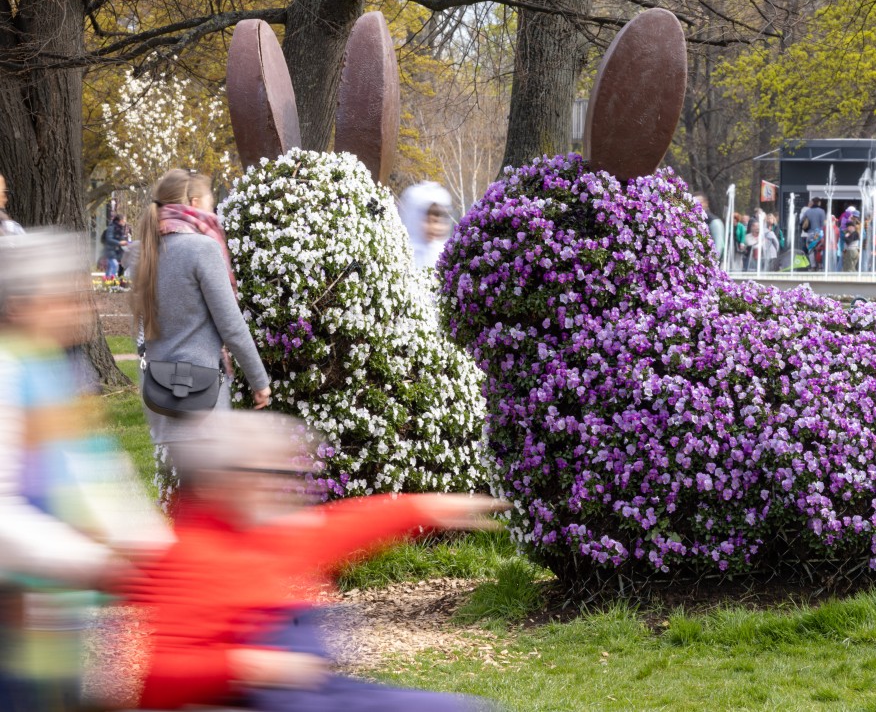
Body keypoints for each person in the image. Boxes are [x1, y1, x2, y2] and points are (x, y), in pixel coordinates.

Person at [123, 411, 503, 711]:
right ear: (214, 484)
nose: (281, 485)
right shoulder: (191, 556)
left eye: (286, 473)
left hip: (318, 695)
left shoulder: (262, 535)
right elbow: (161, 676)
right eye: (267, 473)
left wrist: (425, 507)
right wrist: (245, 663)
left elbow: (344, 525)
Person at [1, 230, 172, 712]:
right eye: (57, 298)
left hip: (51, 614)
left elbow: (96, 473)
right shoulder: (7, 371)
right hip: (16, 610)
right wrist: (95, 563)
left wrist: (158, 553)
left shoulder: (54, 372)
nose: (74, 310)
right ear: (19, 307)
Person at [132, 170, 271, 505]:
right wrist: (259, 379)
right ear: (194, 203)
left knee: (192, 493)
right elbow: (231, 325)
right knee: (213, 496)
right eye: (211, 200)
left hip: (161, 391)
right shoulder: (202, 249)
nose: (214, 207)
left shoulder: (145, 250)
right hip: (202, 391)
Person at [398, 182, 454, 269]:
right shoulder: (401, 255)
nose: (436, 227)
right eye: (429, 221)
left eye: (440, 222)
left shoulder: (446, 256)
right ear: (413, 219)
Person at [692, 193, 725, 260]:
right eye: (693, 202)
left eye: (699, 202)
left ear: (706, 203)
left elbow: (718, 248)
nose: (696, 205)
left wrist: (711, 262)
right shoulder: (696, 220)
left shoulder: (714, 222)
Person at [100, 214, 129, 284]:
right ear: (120, 220)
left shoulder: (119, 228)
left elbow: (120, 239)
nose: (125, 221)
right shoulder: (112, 227)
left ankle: (107, 283)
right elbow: (109, 239)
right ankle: (110, 282)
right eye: (124, 220)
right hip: (109, 251)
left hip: (115, 251)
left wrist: (125, 243)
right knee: (114, 265)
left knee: (110, 267)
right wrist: (119, 243)